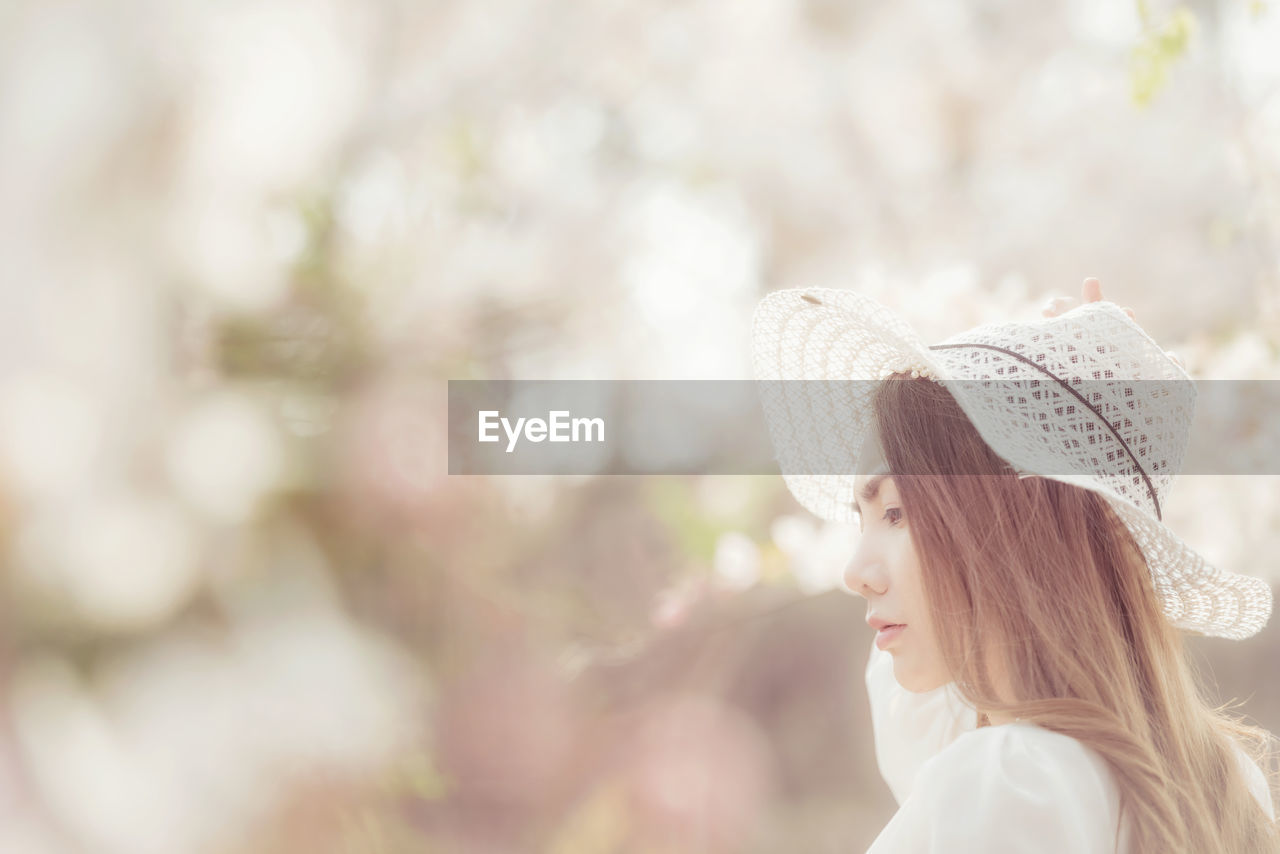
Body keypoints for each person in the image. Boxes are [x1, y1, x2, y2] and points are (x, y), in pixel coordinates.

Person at [751, 279, 1279, 853]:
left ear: (1006, 530)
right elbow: (923, 720)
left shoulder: (1012, 779)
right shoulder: (1223, 784)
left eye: (897, 512)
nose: (855, 572)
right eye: (865, 519)